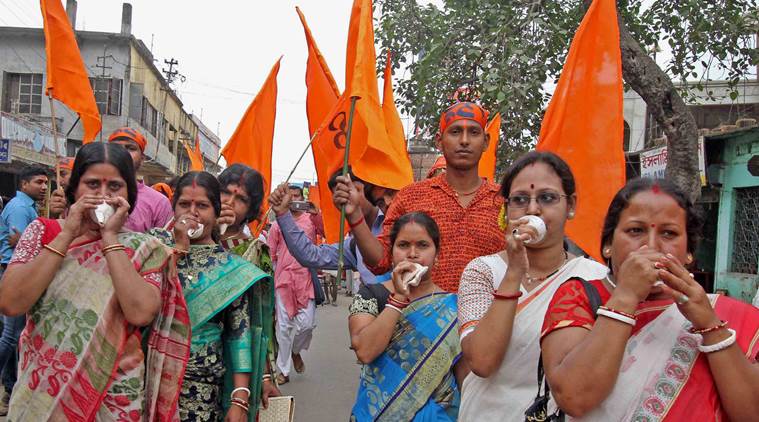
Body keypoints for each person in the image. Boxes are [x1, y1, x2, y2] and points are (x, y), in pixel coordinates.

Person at [541, 178, 759, 420]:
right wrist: (626, 297)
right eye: (635, 230)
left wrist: (710, 326)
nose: (651, 245)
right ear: (608, 245)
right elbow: (575, 397)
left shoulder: (728, 313)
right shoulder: (577, 297)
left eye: (669, 233)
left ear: (689, 252)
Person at [0, 142, 189, 420]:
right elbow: (11, 303)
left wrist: (110, 239)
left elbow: (140, 312)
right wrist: (67, 235)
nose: (103, 196)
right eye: (92, 185)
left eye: (114, 187)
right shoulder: (43, 231)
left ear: (129, 193)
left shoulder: (144, 247)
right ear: (74, 189)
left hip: (114, 395)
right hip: (45, 391)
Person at [456, 151, 608, 420]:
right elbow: (481, 361)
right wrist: (514, 272)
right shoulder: (482, 271)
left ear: (570, 205)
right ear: (506, 208)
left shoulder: (595, 278)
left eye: (547, 198)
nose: (533, 209)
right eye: (520, 200)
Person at [334, 101, 505, 293]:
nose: (464, 140)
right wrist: (355, 216)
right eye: (455, 132)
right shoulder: (411, 197)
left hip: (489, 321)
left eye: (474, 132)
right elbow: (380, 260)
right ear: (439, 141)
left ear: (486, 141)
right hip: (420, 318)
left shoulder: (504, 201)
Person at [149, 171, 271, 421]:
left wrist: (240, 399)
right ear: (173, 209)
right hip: (152, 377)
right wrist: (177, 250)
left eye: (202, 206)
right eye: (184, 204)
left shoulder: (231, 268)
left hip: (202, 387)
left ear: (215, 214)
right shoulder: (154, 247)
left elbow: (240, 334)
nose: (192, 213)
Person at [349, 212, 463, 421]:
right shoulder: (371, 295)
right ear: (391, 254)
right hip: (379, 412)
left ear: (437, 256)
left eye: (422, 245)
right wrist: (399, 298)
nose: (412, 253)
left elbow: (462, 375)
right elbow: (364, 351)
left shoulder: (453, 307)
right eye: (403, 245)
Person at [216, 164, 280, 413]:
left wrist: (265, 377)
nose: (230, 202)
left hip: (236, 356)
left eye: (240, 198)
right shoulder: (183, 236)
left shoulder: (255, 252)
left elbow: (262, 321)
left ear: (251, 210)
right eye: (225, 192)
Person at [267, 167, 391, 289]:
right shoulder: (354, 246)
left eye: (350, 191)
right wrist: (283, 213)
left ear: (365, 188)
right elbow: (311, 255)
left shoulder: (396, 225)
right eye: (340, 197)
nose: (347, 200)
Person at [0, 165, 48, 415]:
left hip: (19, 272)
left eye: (45, 183)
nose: (43, 187)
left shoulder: (29, 207)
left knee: (16, 334)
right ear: (23, 185)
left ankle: (10, 385)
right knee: (11, 335)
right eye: (38, 182)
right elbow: (19, 244)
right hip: (14, 272)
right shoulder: (20, 209)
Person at [267, 184, 319, 384]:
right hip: (283, 280)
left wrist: (317, 214)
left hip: (305, 279)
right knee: (283, 328)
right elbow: (271, 253)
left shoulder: (310, 220)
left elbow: (329, 232)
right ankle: (283, 371)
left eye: (297, 196)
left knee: (307, 325)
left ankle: (296, 352)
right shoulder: (277, 224)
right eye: (291, 196)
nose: (294, 200)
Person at [108, 127, 173, 232]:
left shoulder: (159, 203)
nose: (122, 153)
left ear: (142, 159)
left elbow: (164, 245)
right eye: (115, 147)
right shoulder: (92, 192)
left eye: (130, 148)